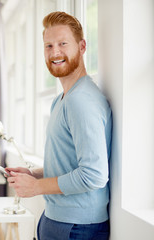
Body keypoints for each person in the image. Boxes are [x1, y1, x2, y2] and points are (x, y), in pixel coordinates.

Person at [6, 11, 112, 240]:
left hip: (77, 226)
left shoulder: (81, 101)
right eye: (48, 45)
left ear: (82, 46)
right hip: (60, 219)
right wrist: (34, 175)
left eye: (63, 43)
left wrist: (37, 188)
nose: (55, 52)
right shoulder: (62, 99)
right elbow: (71, 162)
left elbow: (93, 175)